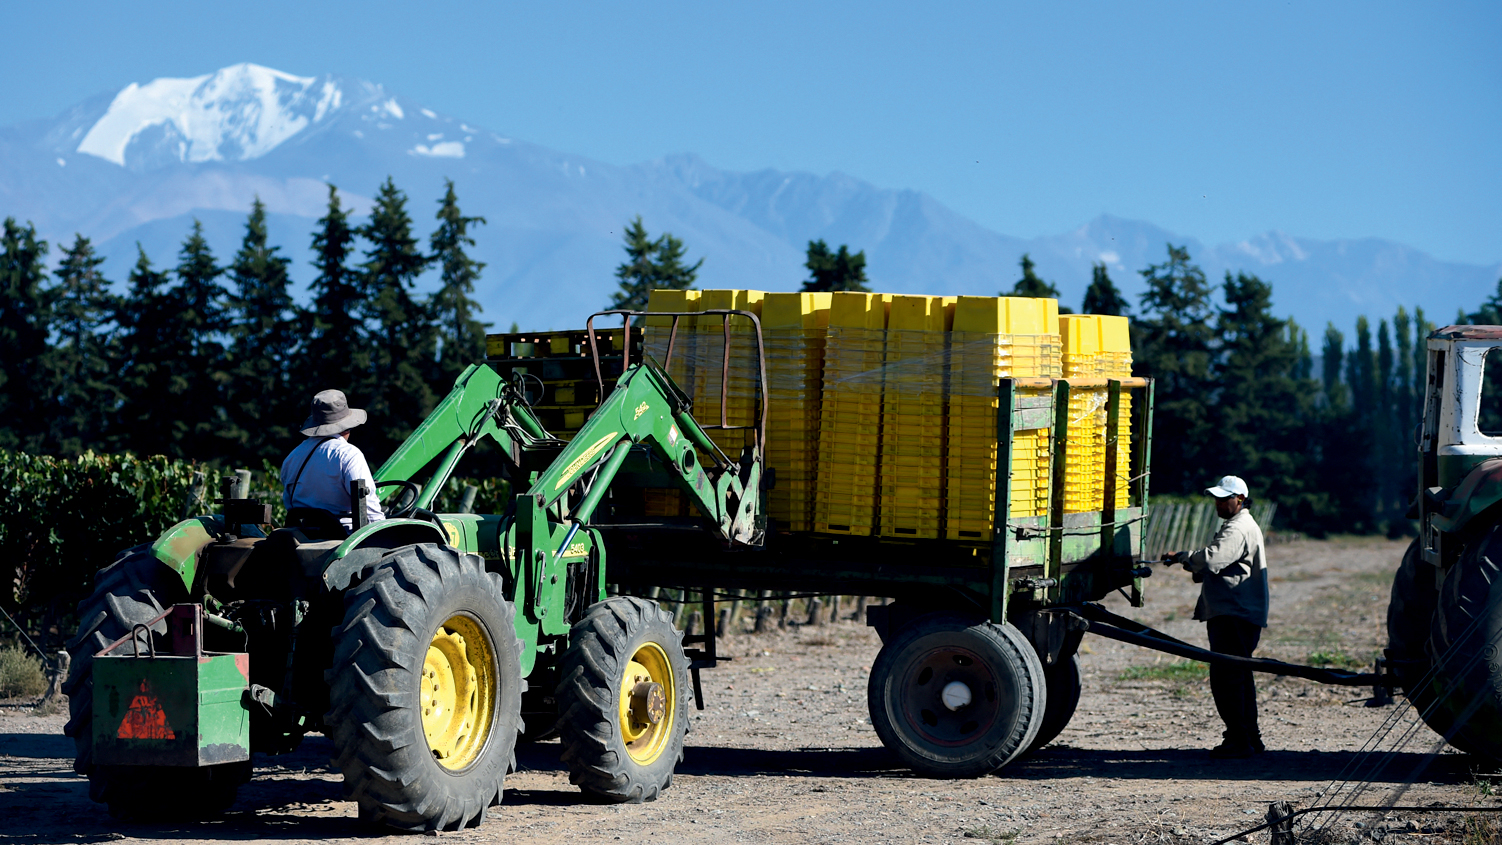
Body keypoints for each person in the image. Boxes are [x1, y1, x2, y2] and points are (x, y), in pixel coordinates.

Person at [1165, 474, 1269, 759]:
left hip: (1233, 612)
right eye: (1217, 499)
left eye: (1225, 499)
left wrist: (1184, 557)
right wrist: (1190, 562)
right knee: (1239, 675)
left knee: (1227, 678)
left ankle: (1239, 740)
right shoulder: (1239, 525)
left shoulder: (1238, 527)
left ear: (1240, 500)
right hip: (1238, 611)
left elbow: (1212, 559)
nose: (1219, 504)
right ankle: (1250, 737)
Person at [281, 389, 384, 531]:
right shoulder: (349, 454)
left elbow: (289, 503)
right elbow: (369, 510)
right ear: (347, 426)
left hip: (299, 534)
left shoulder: (292, 457)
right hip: (341, 536)